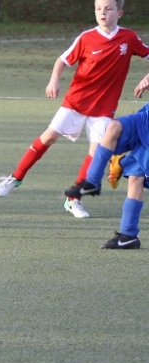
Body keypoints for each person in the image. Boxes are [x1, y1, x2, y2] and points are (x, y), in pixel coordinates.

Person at [0, 0, 149, 219]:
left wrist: (147, 78)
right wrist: (54, 80)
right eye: (98, 8)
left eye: (108, 9)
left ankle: (73, 201)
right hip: (76, 101)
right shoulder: (86, 38)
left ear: (119, 13)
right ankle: (15, 178)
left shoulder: (128, 38)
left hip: (104, 107)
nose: (102, 13)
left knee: (97, 152)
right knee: (48, 137)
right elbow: (62, 60)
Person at [63, 73, 149, 248]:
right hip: (146, 118)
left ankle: (128, 235)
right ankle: (92, 182)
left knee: (136, 178)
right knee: (113, 127)